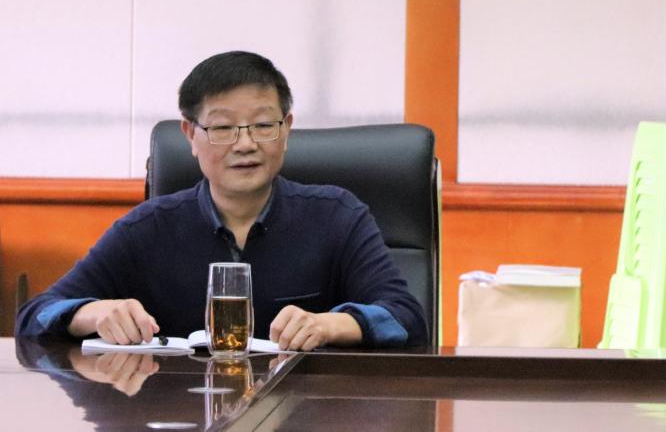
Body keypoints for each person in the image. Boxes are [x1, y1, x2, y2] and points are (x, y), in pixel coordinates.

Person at [17, 51, 427, 349]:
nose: (245, 144)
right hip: (179, 414)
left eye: (263, 125)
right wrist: (94, 314)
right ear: (190, 136)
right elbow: (35, 315)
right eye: (223, 128)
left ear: (286, 129)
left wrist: (330, 325)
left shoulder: (337, 217)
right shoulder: (148, 228)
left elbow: (408, 319)